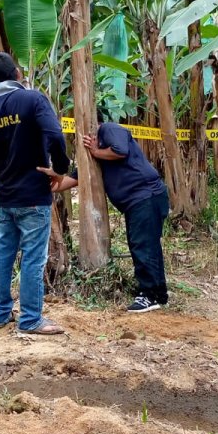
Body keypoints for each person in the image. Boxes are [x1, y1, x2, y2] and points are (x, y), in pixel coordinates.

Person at [0, 52, 69, 335]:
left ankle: (0, 314)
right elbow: (55, 135)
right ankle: (30, 319)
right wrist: (60, 169)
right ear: (17, 73)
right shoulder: (32, 99)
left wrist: (1, 181)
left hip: (4, 198)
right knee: (33, 258)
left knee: (3, 257)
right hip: (33, 195)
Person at [38, 115, 170, 313]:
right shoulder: (96, 154)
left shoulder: (108, 129)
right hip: (140, 201)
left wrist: (96, 151)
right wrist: (48, 181)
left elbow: (121, 150)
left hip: (146, 196)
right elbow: (73, 180)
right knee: (146, 245)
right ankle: (157, 293)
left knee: (142, 245)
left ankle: (149, 295)